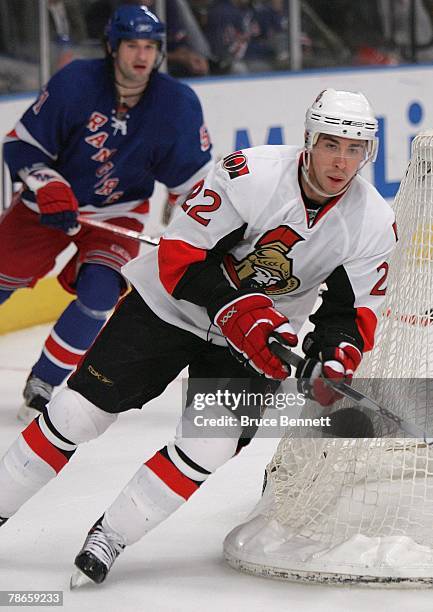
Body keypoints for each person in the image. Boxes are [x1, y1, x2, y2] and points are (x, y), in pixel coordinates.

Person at [0, 89, 397, 587]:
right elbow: (180, 257)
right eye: (331, 145)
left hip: (258, 341)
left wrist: (333, 357)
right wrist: (237, 307)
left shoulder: (374, 223)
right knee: (77, 414)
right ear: (308, 140)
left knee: (211, 445)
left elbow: (349, 314)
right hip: (169, 309)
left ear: (369, 153)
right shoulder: (248, 175)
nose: (342, 161)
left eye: (355, 149)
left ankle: (112, 535)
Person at [0, 4, 212, 422]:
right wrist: (50, 185)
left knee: (100, 295)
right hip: (47, 206)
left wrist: (192, 229)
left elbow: (194, 186)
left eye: (150, 46)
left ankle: (44, 382)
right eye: (132, 44)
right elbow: (19, 147)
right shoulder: (75, 82)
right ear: (113, 47)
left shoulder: (177, 104)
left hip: (118, 213)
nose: (142, 55)